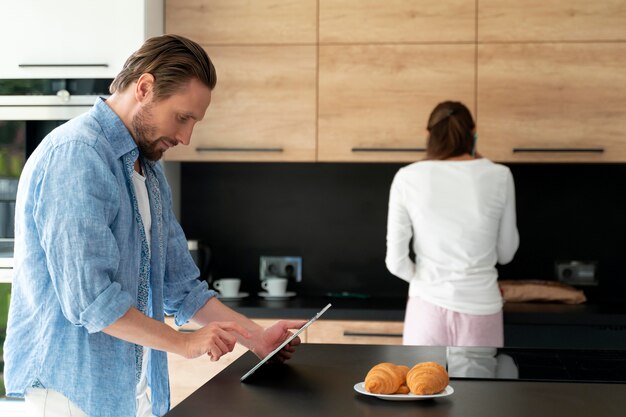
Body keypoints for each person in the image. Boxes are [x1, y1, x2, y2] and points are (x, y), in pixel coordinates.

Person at [3, 34, 307, 417]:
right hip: (70, 397)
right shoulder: (77, 156)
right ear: (144, 88)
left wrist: (257, 338)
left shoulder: (146, 168)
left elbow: (181, 286)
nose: (185, 136)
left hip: (132, 393)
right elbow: (92, 301)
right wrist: (184, 344)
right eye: (182, 117)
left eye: (193, 122)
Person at [385, 100, 519, 348]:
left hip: (426, 308)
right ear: (473, 134)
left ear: (428, 135)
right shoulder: (499, 176)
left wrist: (427, 281)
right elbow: (506, 253)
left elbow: (395, 262)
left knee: (423, 384)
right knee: (480, 388)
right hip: (481, 306)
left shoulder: (407, 177)